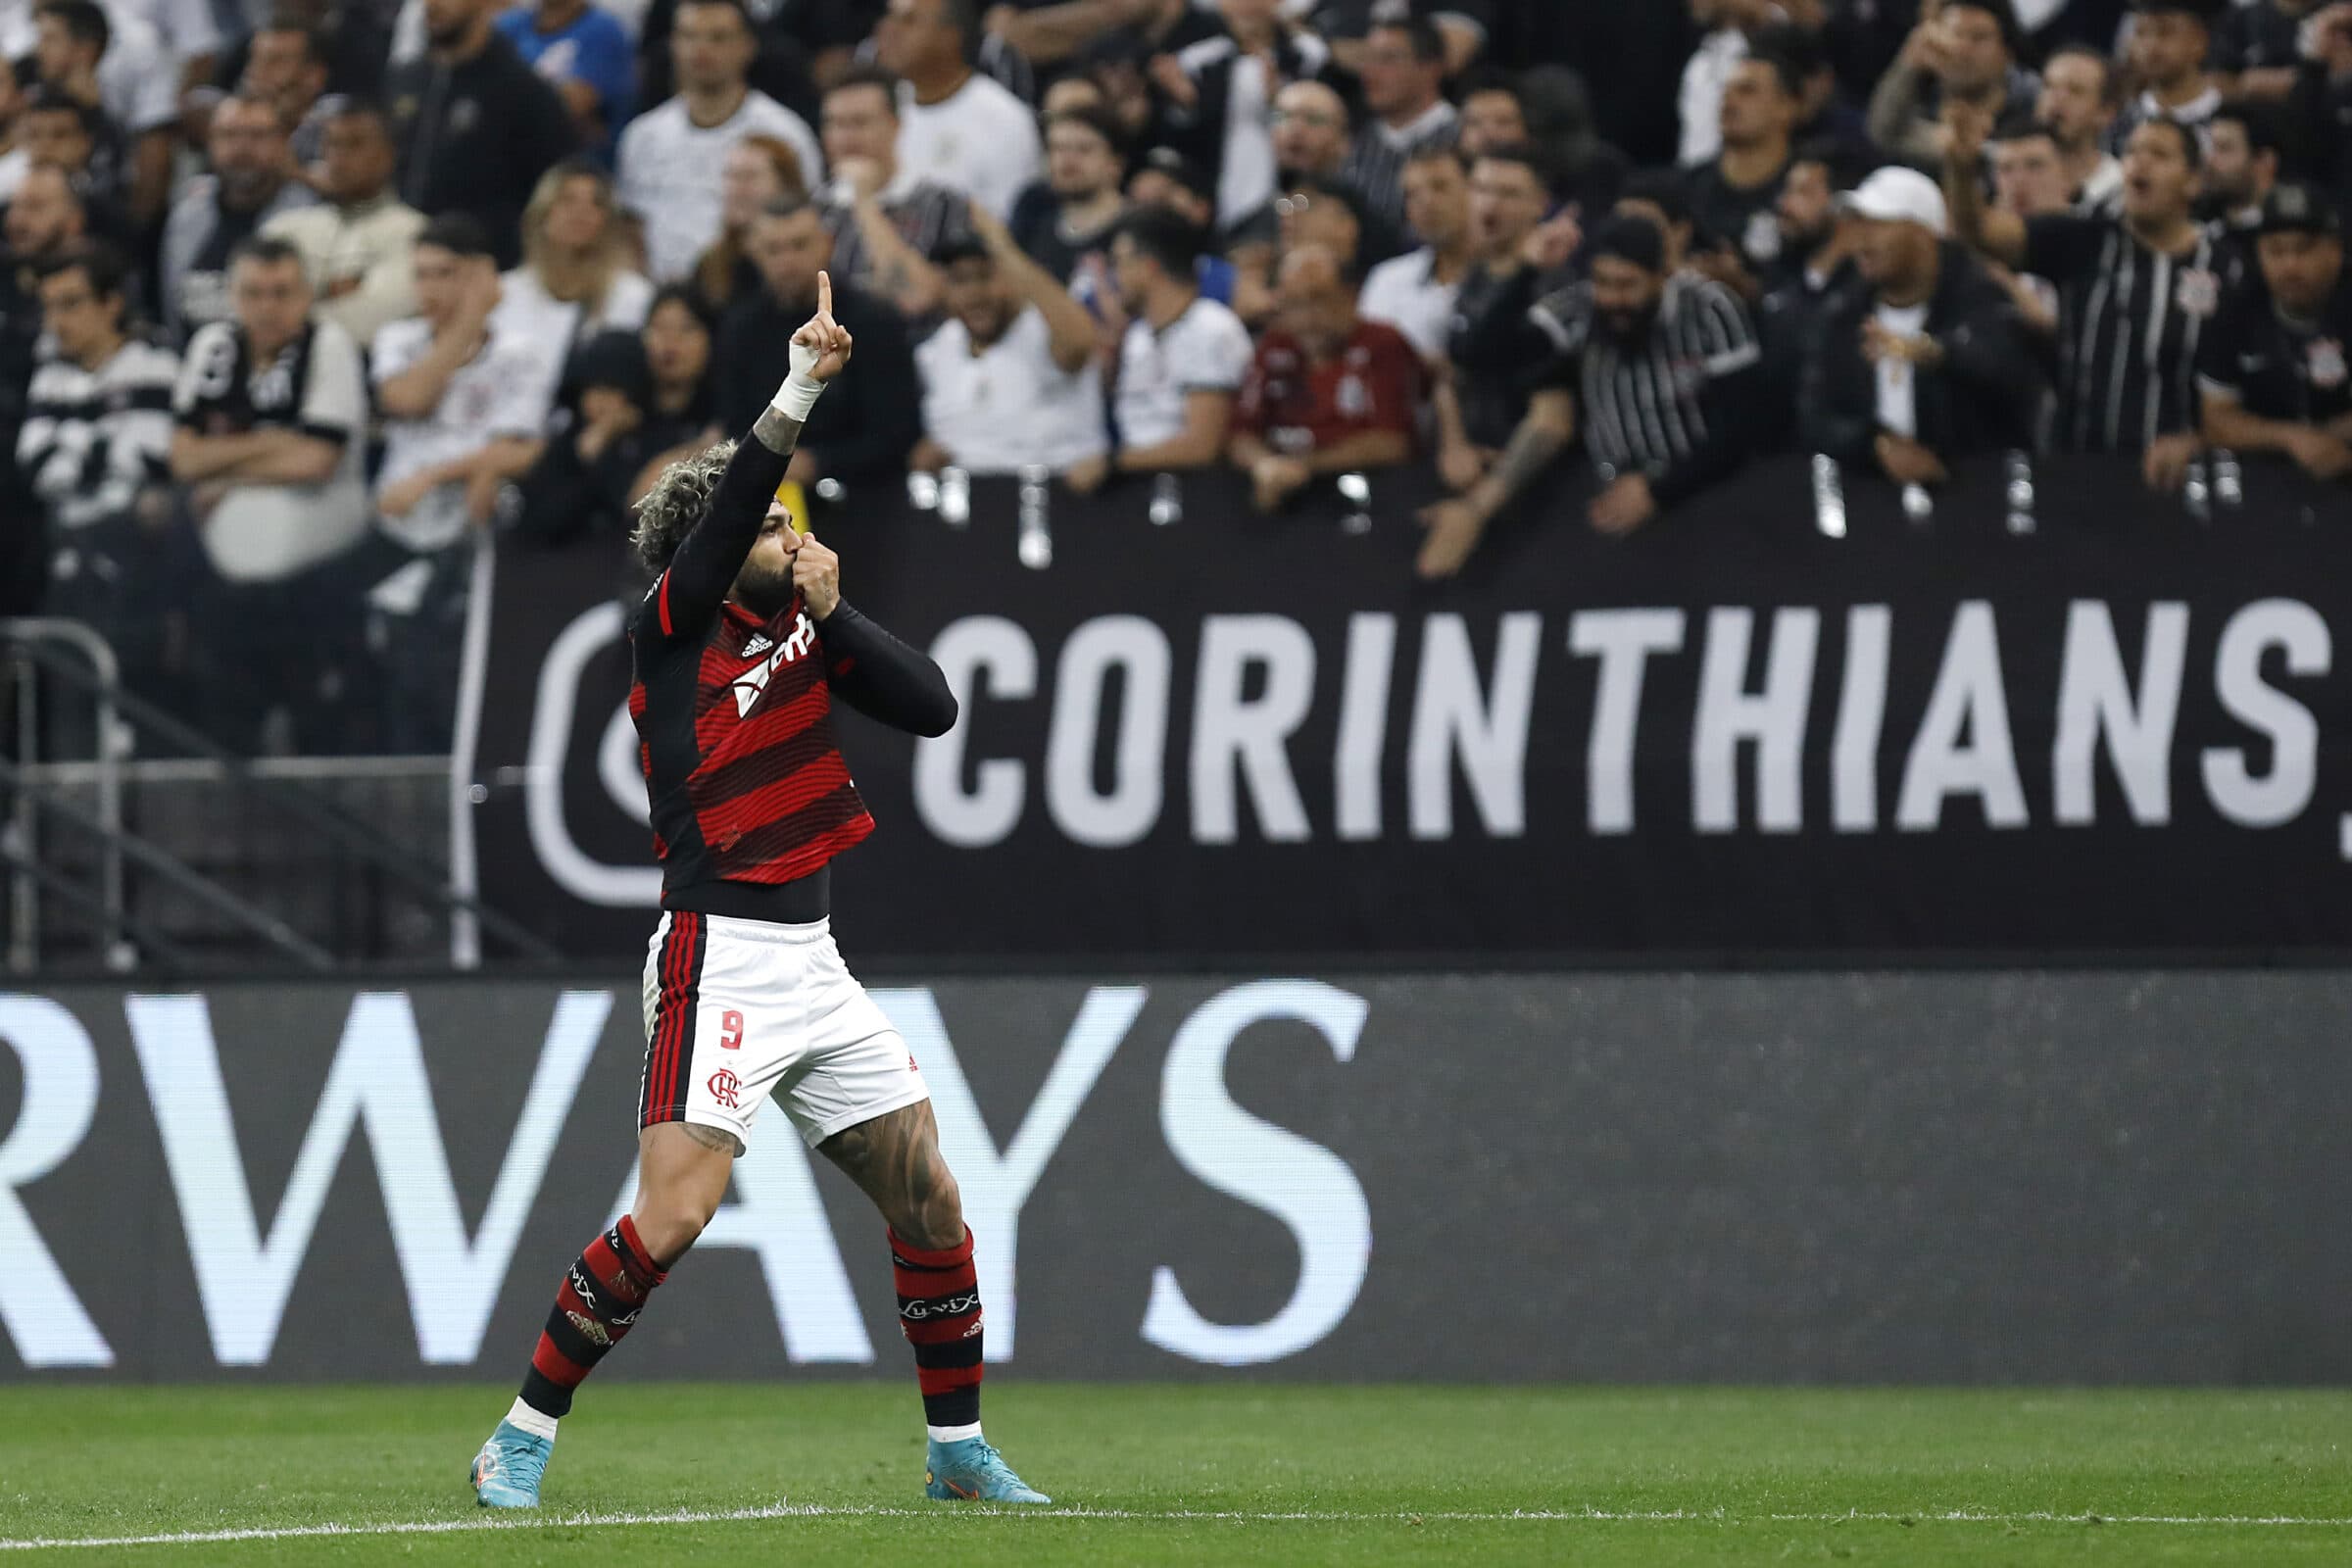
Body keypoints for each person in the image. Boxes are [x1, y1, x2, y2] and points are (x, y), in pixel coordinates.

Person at [467, 269, 1054, 1513]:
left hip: (815, 960)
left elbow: (933, 707)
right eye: (778, 528)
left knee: (931, 1197)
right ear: (720, 552)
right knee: (672, 1218)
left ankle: (956, 1452)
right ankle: (520, 1432)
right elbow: (735, 501)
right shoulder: (673, 629)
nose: (795, 534)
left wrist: (840, 618)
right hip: (717, 956)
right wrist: (798, 387)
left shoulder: (803, 625)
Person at [1945, 101, 2224, 488]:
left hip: (2182, 480)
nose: (2139, 163)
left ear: (2194, 181)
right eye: (2131, 152)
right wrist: (1960, 168)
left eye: (2159, 154)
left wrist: (2199, 442)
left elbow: (2244, 395)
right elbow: (1981, 232)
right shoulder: (2084, 239)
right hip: (2080, 474)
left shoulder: (2225, 265)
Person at [168, 235, 370, 750]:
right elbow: (184, 458)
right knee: (227, 727)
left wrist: (231, 471)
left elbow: (317, 460)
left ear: (306, 295)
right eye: (253, 292)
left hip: (317, 582)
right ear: (234, 296)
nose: (267, 307)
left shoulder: (329, 345)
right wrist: (275, 440)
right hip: (226, 586)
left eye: (281, 293)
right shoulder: (214, 347)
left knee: (319, 729)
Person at [364, 215, 555, 749]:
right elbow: (408, 399)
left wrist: (441, 473)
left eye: (445, 274)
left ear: (477, 275)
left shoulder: (521, 352)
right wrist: (465, 324)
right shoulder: (398, 340)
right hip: (397, 537)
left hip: (473, 540)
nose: (429, 289)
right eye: (421, 275)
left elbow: (526, 446)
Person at [1797, 167, 2039, 485]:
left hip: (1978, 494)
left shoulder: (1981, 298)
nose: (1862, 241)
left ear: (1925, 233)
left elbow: (2010, 378)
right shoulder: (1844, 311)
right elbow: (1814, 414)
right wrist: (1876, 445)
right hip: (1872, 497)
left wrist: (1934, 353)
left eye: (1878, 225)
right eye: (1857, 224)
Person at [15, 243, 178, 696]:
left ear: (111, 303)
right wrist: (101, 447)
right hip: (65, 561)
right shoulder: (51, 374)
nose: (56, 321)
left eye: (71, 304)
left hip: (137, 563)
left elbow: (146, 460)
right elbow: (35, 467)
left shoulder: (154, 363)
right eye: (49, 306)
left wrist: (72, 447)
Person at [1567, 212, 1766, 533]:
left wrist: (1658, 490)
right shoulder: (1580, 308)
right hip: (1608, 489)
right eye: (1602, 282)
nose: (1613, 298)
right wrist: (1528, 266)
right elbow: (1493, 349)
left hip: (1705, 493)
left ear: (1662, 275)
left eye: (1627, 284)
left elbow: (1738, 425)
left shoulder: (1710, 309)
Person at [710, 194, 918, 489]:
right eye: (774, 250)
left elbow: (898, 436)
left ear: (827, 244)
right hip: (768, 496)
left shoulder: (874, 322)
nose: (787, 261)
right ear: (755, 253)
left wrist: (817, 463)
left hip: (866, 496)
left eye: (799, 245)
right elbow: (733, 429)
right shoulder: (739, 329)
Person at [617, 0, 822, 282]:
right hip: (660, 300)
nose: (701, 49)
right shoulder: (642, 136)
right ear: (673, 44)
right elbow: (631, 232)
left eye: (718, 37)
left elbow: (805, 225)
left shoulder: (785, 133)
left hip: (749, 294)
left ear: (747, 46)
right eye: (688, 36)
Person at [1066, 205, 1251, 492]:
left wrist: (1113, 463)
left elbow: (1202, 446)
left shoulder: (1211, 328)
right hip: (1138, 493)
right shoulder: (1137, 337)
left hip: (1199, 496)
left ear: (1148, 267)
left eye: (1120, 263)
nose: (1115, 277)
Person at [911, 204, 1105, 474]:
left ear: (1016, 275)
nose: (973, 293)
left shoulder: (1044, 328)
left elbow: (1080, 345)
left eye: (985, 276)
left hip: (1055, 496)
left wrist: (1005, 248)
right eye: (959, 280)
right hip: (972, 500)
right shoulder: (939, 348)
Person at [387, 0, 580, 267]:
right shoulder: (403, 80)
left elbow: (553, 186)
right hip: (400, 260)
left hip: (487, 267)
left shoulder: (524, 91)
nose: (433, 5)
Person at [1228, 241, 1417, 512]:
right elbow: (1241, 435)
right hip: (1281, 499)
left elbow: (1392, 443)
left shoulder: (1383, 344)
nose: (1306, 318)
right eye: (1293, 304)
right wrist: (1264, 464)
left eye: (1318, 300)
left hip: (1369, 501)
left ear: (1351, 295)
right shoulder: (1275, 345)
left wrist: (1304, 467)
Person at [1432, 144, 1571, 498]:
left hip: (1535, 485)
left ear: (1539, 203)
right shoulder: (1475, 275)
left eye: (1508, 194)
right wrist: (1454, 445)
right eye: (1480, 189)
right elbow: (1451, 373)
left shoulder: (1554, 286)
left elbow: (1552, 412)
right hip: (1469, 467)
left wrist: (1488, 495)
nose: (1490, 205)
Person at [2197, 179, 2352, 480]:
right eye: (2276, 251)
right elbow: (2216, 419)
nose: (2290, 266)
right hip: (2262, 484)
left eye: (2304, 249)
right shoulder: (2237, 307)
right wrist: (2293, 438)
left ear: (2335, 251)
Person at [1149, 0, 1334, 232]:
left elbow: (1326, 115)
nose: (1246, 7)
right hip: (1220, 184)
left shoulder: (1307, 54)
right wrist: (1187, 102)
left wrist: (1280, 98)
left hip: (1287, 186)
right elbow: (1182, 138)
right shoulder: (1202, 59)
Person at [261, 100, 427, 349]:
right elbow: (251, 308)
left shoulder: (414, 232)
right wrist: (332, 291)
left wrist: (300, 299)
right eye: (332, 144)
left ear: (387, 155)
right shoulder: (285, 228)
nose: (338, 157)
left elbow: (374, 320)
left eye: (355, 144)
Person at [817, 67, 975, 318]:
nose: (845, 138)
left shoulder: (942, 203)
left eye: (859, 123)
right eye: (835, 124)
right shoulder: (816, 209)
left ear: (895, 124)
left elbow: (917, 297)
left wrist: (864, 201)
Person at [161, 93, 317, 343]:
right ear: (210, 141)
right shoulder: (188, 213)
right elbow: (171, 304)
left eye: (257, 136)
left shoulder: (309, 215)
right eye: (229, 135)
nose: (242, 148)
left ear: (282, 142)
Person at [876, 0, 1041, 218]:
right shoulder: (880, 109)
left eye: (909, 21)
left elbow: (1008, 225)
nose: (889, 30)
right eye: (890, 17)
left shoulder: (1002, 119)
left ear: (950, 36)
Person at [494, 159, 656, 375]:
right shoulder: (504, 293)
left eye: (596, 203)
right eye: (567, 200)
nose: (581, 212)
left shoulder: (634, 297)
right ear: (542, 213)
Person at [27, 0, 174, 225]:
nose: (39, 50)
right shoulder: (35, 95)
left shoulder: (111, 125)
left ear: (85, 50)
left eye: (50, 39)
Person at [1865, 0, 2036, 172]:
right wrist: (1909, 64)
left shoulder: (2033, 106)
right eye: (1955, 34)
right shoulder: (1925, 104)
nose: (1963, 49)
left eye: (1978, 37)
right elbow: (1884, 131)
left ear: (2007, 53)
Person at [1686, 50, 1800, 289]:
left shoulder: (1803, 189)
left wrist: (1747, 286)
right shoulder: (1689, 187)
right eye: (1725, 91)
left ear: (1786, 108)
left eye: (1747, 91)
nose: (1729, 102)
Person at [1341, 17, 1456, 232]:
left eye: (1388, 59)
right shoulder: (1351, 143)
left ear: (1431, 68)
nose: (1369, 73)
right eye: (1367, 59)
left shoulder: (1463, 139)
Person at [1357, 143, 1471, 362]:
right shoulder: (1386, 279)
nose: (1425, 202)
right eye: (1412, 194)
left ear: (1474, 190)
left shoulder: (1505, 277)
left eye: (1440, 187)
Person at [495, 0, 636, 161]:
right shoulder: (509, 26)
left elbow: (577, 104)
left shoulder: (604, 30)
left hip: (580, 163)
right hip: (515, 157)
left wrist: (511, 91)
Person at [1007, 105, 1128, 285]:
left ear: (1115, 163)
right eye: (1058, 148)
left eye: (1084, 149)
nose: (1068, 160)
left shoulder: (1138, 230)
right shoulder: (1035, 228)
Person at [692, 133, 807, 312]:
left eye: (750, 177)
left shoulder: (807, 262)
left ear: (784, 185)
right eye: (731, 176)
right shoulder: (710, 265)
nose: (737, 189)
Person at [2113, 0, 2224, 149]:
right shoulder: (2121, 125)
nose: (2151, 46)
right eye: (2141, 32)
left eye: (2165, 32)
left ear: (2199, 41)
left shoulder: (2228, 121)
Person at [237, 17, 336, 170]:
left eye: (276, 61)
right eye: (255, 60)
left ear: (314, 76)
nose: (258, 72)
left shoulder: (337, 134)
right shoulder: (229, 130)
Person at [2035, 43, 2123, 212]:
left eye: (2075, 91)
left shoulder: (2121, 189)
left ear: (2105, 113)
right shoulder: (2003, 170)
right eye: (2049, 86)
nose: (2057, 99)